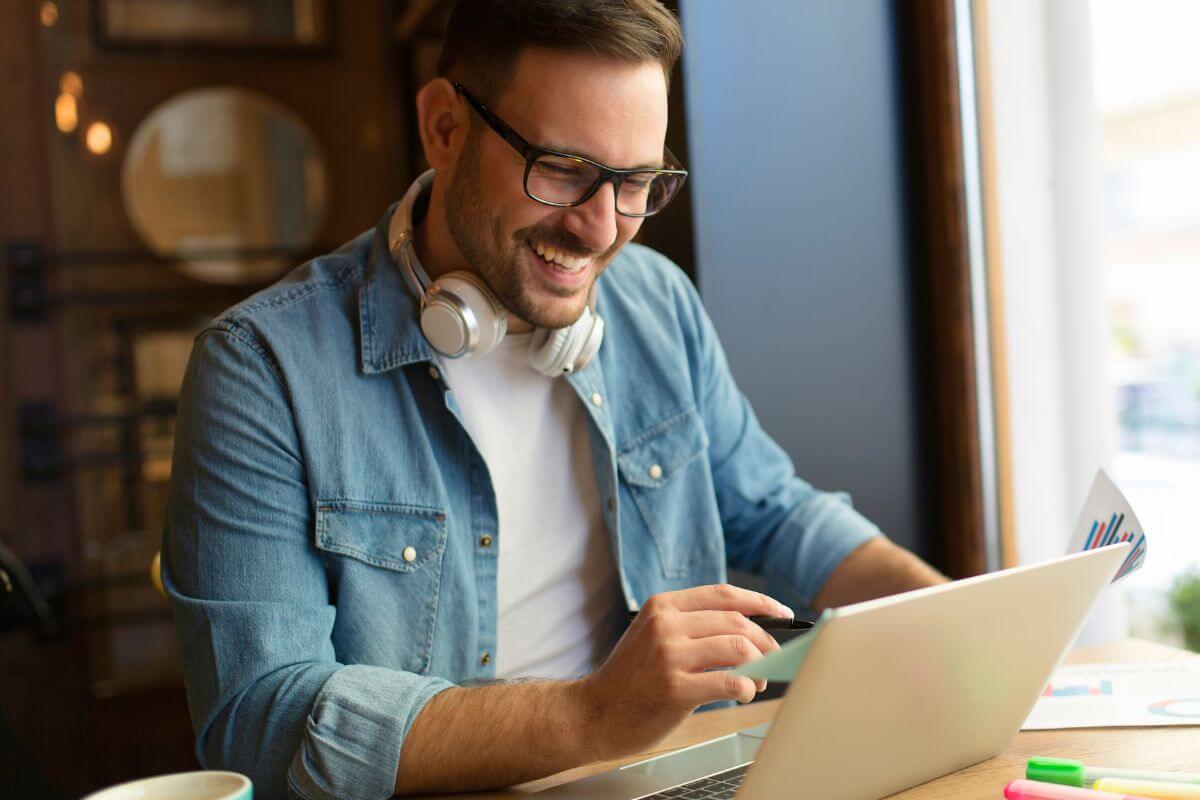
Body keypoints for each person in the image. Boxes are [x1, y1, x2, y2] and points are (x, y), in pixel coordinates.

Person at [162, 1, 947, 798]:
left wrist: (956, 621)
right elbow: (258, 716)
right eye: (564, 170)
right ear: (443, 127)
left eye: (637, 183)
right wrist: (597, 714)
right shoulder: (260, 369)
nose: (601, 229)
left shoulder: (655, 304)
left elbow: (776, 512)